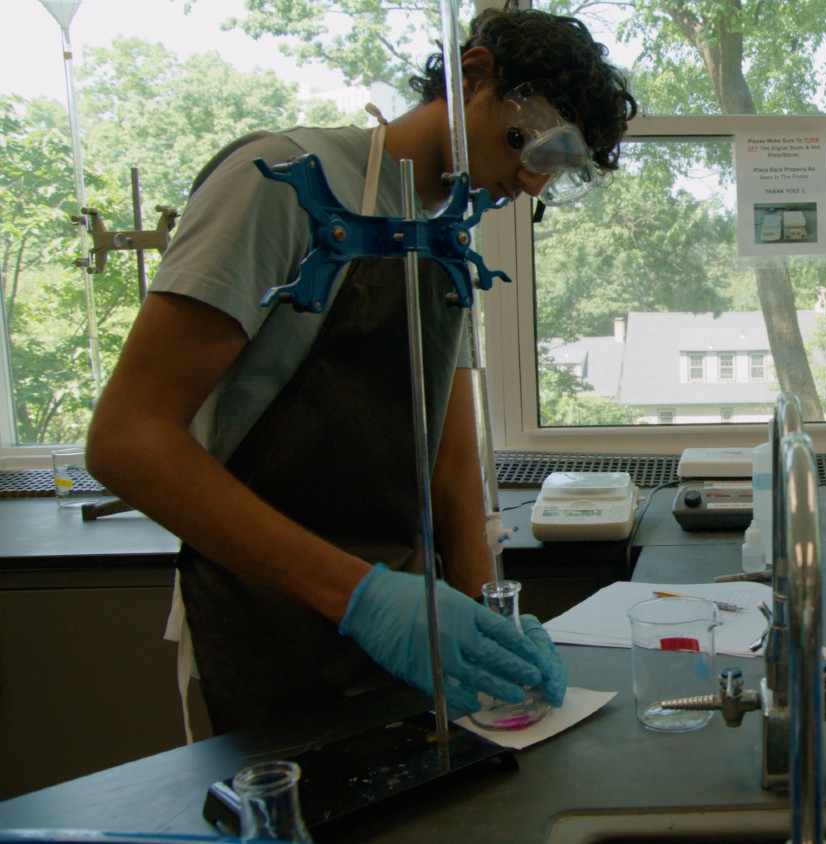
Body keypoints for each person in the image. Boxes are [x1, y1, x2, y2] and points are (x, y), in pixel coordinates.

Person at [84, 5, 638, 733]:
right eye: (536, 147)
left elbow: (450, 462)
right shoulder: (283, 185)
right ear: (475, 76)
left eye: (556, 171)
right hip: (268, 628)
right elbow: (127, 440)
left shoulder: (445, 239)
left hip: (408, 635)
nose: (533, 185)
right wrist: (362, 599)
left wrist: (484, 610)